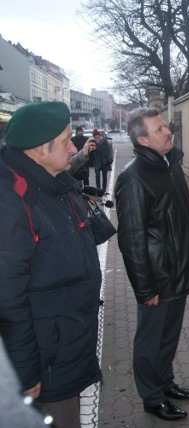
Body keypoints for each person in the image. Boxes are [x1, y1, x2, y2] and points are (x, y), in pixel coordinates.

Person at [0, 101, 103, 428]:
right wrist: (26, 369)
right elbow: (8, 297)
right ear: (38, 150)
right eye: (65, 140)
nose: (74, 147)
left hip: (64, 344)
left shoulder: (53, 183)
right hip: (45, 360)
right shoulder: (13, 202)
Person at [115, 107, 189, 421]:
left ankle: (165, 382)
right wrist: (145, 288)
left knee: (169, 335)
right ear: (142, 139)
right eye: (159, 130)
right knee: (150, 341)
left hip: (178, 270)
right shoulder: (133, 178)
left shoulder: (170, 165)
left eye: (165, 126)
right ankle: (152, 397)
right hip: (157, 278)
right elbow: (132, 240)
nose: (167, 131)